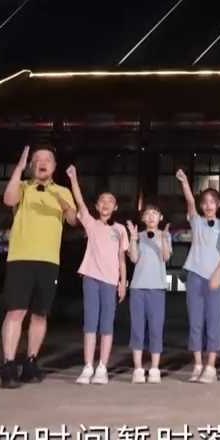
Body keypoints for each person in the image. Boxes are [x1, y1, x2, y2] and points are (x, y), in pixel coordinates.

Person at [0, 146, 77, 389]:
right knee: (16, 311)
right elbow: (8, 199)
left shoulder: (62, 191)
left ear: (54, 166)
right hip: (20, 257)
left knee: (40, 313)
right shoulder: (22, 187)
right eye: (37, 159)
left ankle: (31, 362)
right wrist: (19, 169)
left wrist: (59, 198)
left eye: (47, 159)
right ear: (31, 165)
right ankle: (8, 364)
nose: (42, 162)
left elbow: (73, 219)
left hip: (49, 260)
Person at [66, 165, 128, 385]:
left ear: (115, 207)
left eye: (110, 201)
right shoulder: (91, 224)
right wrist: (73, 178)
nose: (106, 204)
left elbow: (122, 259)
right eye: (102, 200)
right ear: (97, 206)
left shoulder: (120, 229)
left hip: (110, 281)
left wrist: (123, 283)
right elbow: (79, 201)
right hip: (91, 278)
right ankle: (88, 366)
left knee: (106, 324)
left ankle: (102, 367)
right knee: (90, 323)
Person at [176, 168, 220, 384]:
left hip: (214, 280)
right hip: (195, 277)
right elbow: (190, 202)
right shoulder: (197, 222)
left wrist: (218, 273)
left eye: (212, 202)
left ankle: (211, 366)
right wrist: (184, 183)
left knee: (213, 322)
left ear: (218, 205)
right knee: (195, 322)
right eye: (205, 202)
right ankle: (198, 364)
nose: (208, 205)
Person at [126, 207, 171, 384]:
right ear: (143, 218)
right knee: (137, 328)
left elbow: (166, 257)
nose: (151, 217)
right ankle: (138, 368)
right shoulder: (139, 236)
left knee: (156, 328)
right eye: (148, 214)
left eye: (155, 214)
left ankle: (154, 368)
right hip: (138, 288)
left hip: (157, 289)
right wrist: (133, 238)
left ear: (160, 217)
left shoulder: (165, 235)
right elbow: (133, 258)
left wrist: (163, 239)